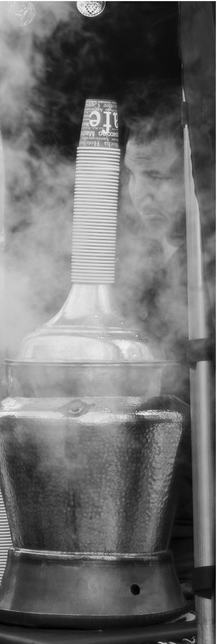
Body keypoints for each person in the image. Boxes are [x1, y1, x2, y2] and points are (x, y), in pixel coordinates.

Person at [119, 82, 194, 593]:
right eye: (131, 175)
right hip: (156, 519)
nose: (139, 193)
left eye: (157, 176)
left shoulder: (204, 273)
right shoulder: (142, 272)